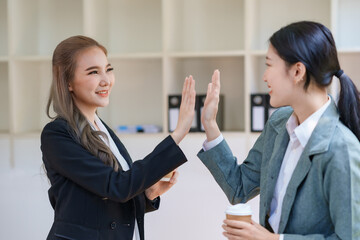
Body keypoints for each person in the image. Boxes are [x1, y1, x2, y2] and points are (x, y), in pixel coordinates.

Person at [197, 21, 360, 239]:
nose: (264, 77)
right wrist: (210, 125)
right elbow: (240, 188)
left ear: (297, 71)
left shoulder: (342, 149)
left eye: (269, 65)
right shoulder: (279, 123)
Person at [41, 35, 196, 240]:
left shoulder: (102, 129)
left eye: (108, 69)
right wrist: (177, 136)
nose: (106, 80)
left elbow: (109, 201)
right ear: (68, 82)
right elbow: (117, 186)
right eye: (93, 72)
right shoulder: (57, 134)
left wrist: (148, 194)